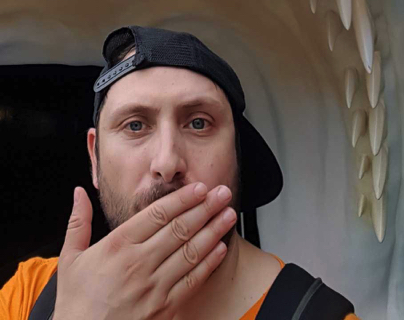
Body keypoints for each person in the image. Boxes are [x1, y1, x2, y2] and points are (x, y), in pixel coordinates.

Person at [0, 25, 360, 320]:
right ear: (94, 158)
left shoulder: (317, 315)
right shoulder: (31, 295)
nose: (167, 162)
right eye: (135, 125)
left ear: (237, 155)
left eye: (199, 123)